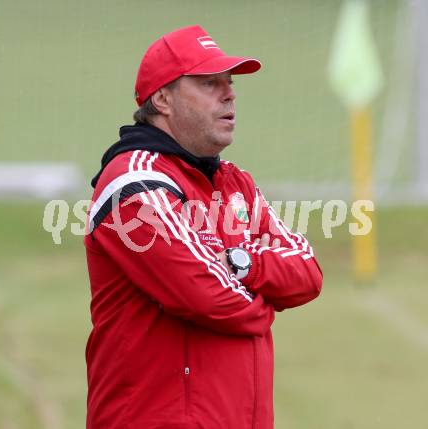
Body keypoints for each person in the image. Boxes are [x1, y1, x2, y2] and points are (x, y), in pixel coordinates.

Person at [85, 25, 322, 429]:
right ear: (162, 99)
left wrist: (244, 264)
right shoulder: (132, 181)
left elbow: (307, 273)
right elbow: (207, 294)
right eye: (210, 83)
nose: (229, 94)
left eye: (229, 84)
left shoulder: (236, 181)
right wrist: (264, 302)